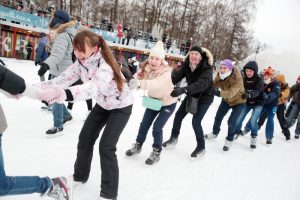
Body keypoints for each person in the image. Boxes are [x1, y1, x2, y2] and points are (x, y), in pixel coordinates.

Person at [37, 30, 134, 200]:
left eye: (81, 49)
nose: (77, 53)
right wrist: (36, 89)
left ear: (95, 48)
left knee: (106, 146)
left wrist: (64, 94)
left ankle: (109, 193)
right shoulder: (81, 63)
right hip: (103, 105)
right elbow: (62, 79)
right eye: (75, 49)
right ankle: (80, 175)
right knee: (85, 138)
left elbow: (92, 88)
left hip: (121, 106)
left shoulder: (105, 65)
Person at [0, 63, 69, 199]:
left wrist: (37, 93)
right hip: (56, 72)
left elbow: (3, 77)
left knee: (1, 186)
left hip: (59, 74)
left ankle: (50, 184)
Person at [125, 41, 177, 165]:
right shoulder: (146, 68)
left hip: (168, 103)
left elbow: (156, 83)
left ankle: (156, 151)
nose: (153, 61)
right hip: (153, 101)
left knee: (157, 128)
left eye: (157, 59)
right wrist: (130, 81)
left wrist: (140, 84)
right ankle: (138, 145)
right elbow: (136, 77)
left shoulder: (167, 73)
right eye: (152, 58)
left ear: (162, 61)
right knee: (144, 125)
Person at [162, 46, 214, 159]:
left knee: (196, 122)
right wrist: (164, 81)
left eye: (196, 54)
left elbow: (202, 84)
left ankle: (201, 147)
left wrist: (184, 89)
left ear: (200, 57)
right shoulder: (187, 65)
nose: (193, 56)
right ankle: (173, 138)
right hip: (192, 93)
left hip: (205, 97)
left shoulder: (207, 68)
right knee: (178, 115)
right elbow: (176, 76)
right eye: (192, 53)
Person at [37, 10, 75, 136]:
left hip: (60, 70)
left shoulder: (63, 35)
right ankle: (66, 116)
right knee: (56, 96)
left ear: (58, 20)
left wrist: (46, 65)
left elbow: (58, 54)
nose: (50, 19)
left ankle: (58, 126)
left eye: (52, 17)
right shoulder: (66, 33)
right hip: (62, 69)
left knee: (54, 97)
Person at [204, 59, 246, 151]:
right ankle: (215, 133)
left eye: (224, 68)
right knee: (218, 117)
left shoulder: (237, 78)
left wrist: (217, 93)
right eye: (221, 68)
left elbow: (231, 93)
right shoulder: (220, 75)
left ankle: (229, 140)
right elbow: (214, 84)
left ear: (230, 69)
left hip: (239, 102)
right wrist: (207, 88)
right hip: (226, 101)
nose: (222, 70)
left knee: (231, 122)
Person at [232, 61, 264, 149]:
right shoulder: (244, 79)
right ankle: (237, 132)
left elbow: (257, 91)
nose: (248, 73)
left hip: (258, 103)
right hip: (247, 102)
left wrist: (249, 94)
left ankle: (254, 136)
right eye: (247, 71)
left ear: (255, 72)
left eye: (250, 71)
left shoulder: (260, 80)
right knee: (239, 119)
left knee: (253, 120)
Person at [256, 74, 291, 140]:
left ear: (282, 82)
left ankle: (287, 133)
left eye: (279, 82)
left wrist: (280, 94)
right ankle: (257, 127)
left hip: (280, 104)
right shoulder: (273, 84)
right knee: (263, 115)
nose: (278, 83)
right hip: (272, 103)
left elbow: (286, 93)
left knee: (281, 118)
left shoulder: (286, 87)